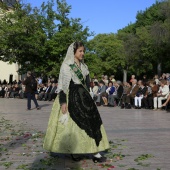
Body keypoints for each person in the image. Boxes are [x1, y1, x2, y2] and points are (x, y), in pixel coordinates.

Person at [43, 42, 109, 163]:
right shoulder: (66, 66)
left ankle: (95, 151)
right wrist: (63, 102)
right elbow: (62, 86)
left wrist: (90, 96)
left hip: (84, 98)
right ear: (73, 52)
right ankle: (74, 150)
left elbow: (87, 84)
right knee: (73, 127)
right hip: (71, 97)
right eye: (80, 51)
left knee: (92, 123)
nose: (82, 53)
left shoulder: (84, 67)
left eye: (83, 51)